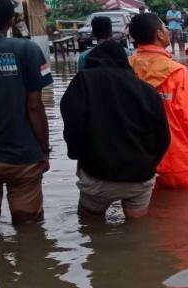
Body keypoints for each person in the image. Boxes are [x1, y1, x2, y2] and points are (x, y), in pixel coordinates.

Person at [60, 40, 171, 219]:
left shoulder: (84, 81)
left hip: (98, 175)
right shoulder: (147, 90)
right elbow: (163, 137)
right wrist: (149, 164)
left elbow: (74, 125)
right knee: (138, 233)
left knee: (90, 228)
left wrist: (77, 155)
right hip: (140, 177)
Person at [0, 0, 54, 225]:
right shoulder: (28, 50)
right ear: (11, 20)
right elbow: (35, 107)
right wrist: (44, 150)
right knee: (30, 230)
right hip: (23, 157)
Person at [128, 13, 188, 189]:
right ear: (159, 35)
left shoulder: (126, 68)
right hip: (178, 162)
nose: (168, 31)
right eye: (165, 28)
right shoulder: (177, 72)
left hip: (136, 162)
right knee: (187, 212)